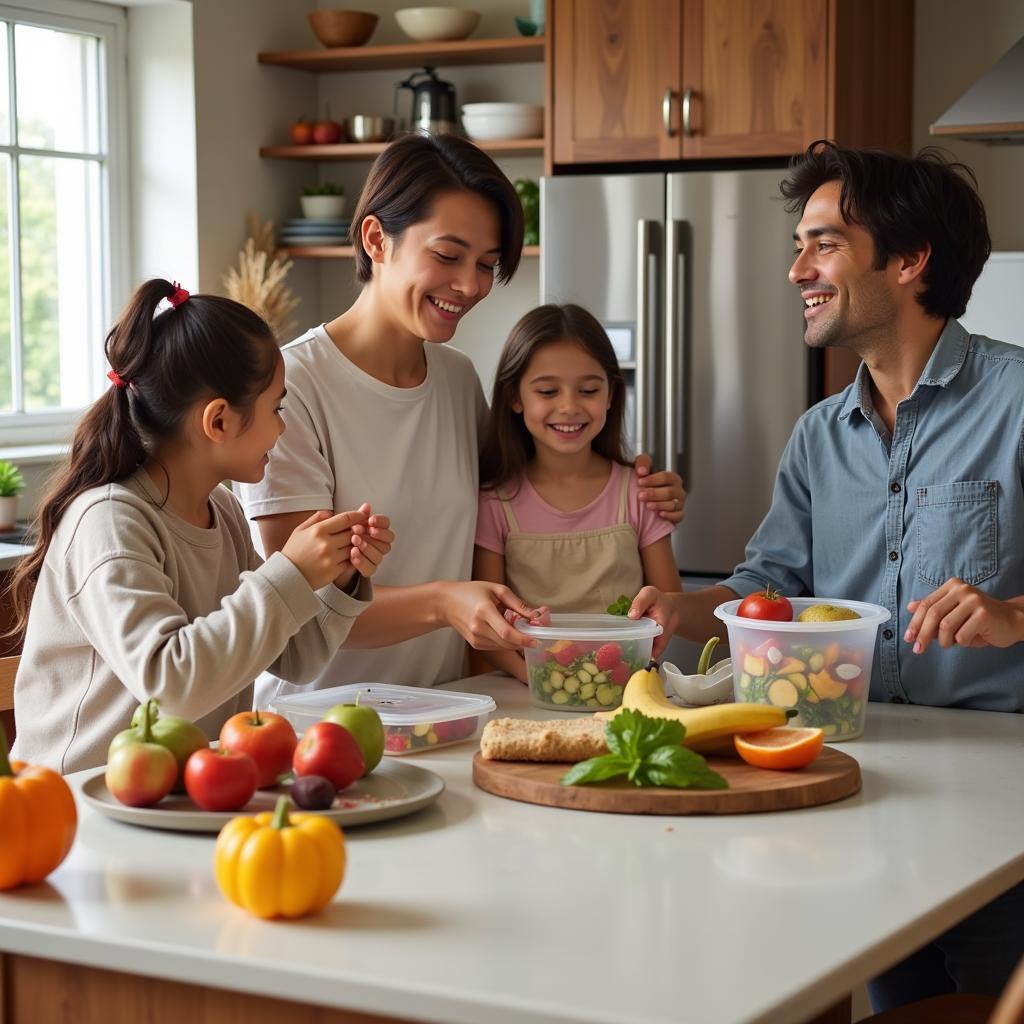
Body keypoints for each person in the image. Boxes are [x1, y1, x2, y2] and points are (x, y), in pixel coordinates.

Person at [632, 141, 1024, 1012]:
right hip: (860, 780)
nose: (795, 269)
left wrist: (1012, 614)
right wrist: (679, 608)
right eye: (798, 243)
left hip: (1004, 802)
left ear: (911, 260)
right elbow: (764, 591)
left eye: (824, 244)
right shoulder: (818, 434)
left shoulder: (1019, 400)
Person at [238, 133, 686, 703]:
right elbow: (298, 606)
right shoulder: (294, 387)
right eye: (448, 256)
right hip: (319, 720)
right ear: (377, 238)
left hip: (448, 709)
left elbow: (532, 495)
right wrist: (444, 603)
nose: (472, 285)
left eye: (486, 264)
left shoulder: (456, 379)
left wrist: (645, 492)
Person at [8, 279, 393, 775]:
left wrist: (340, 579)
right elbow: (171, 687)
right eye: (276, 408)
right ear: (217, 421)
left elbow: (294, 658)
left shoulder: (224, 512)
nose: (283, 427)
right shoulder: (109, 521)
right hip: (76, 808)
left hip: (177, 799)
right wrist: (291, 574)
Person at [472, 303, 680, 681]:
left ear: (611, 394)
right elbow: (489, 624)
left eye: (588, 390)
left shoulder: (638, 492)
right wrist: (538, 679)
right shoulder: (494, 502)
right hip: (528, 688)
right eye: (548, 391)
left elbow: (668, 605)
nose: (569, 407)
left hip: (624, 685)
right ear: (515, 398)